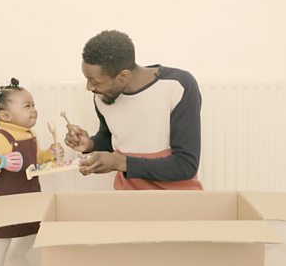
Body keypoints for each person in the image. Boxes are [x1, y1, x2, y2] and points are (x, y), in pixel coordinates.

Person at [64, 30, 203, 190]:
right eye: (87, 79)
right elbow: (112, 137)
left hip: (176, 197)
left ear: (123, 76)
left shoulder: (178, 86)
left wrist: (119, 162)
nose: (89, 87)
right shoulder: (102, 96)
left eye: (95, 81)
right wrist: (90, 144)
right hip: (128, 196)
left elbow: (185, 165)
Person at [0, 78, 64, 266]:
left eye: (33, 105)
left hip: (27, 193)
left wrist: (50, 154)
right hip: (4, 198)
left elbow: (36, 159)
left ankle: (17, 257)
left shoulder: (30, 135)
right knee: (2, 237)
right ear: (6, 116)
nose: (34, 110)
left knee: (31, 229)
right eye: (27, 106)